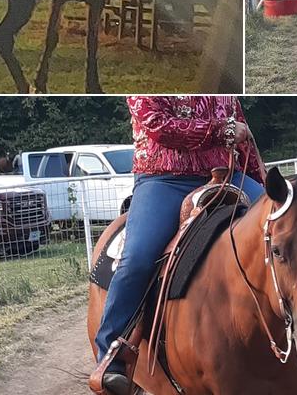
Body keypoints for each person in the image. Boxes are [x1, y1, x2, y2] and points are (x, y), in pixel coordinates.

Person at [92, 97, 266, 394]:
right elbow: (159, 126)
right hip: (164, 179)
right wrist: (222, 132)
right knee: (138, 258)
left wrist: (262, 184)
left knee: (283, 228)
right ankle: (112, 355)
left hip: (227, 173)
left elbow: (243, 134)